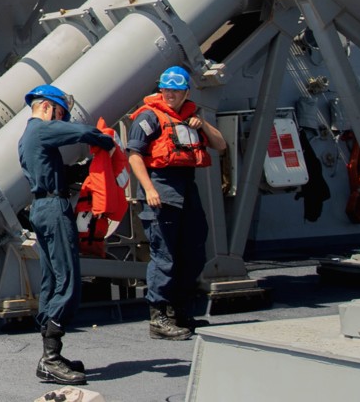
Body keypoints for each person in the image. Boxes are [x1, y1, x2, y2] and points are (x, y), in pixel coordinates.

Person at [18, 84, 117, 386]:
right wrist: (106, 141)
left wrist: (84, 170)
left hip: (42, 207)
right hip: (53, 209)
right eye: (59, 113)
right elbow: (81, 133)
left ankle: (51, 356)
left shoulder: (29, 137)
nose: (59, 119)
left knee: (51, 279)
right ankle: (50, 358)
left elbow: (55, 170)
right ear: (47, 107)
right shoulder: (41, 129)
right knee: (69, 280)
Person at [126, 65, 228, 340]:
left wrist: (202, 123)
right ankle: (158, 317)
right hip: (160, 189)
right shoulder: (149, 117)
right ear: (161, 89)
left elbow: (220, 145)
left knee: (193, 253)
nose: (170, 94)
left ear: (185, 92)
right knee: (164, 257)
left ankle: (177, 311)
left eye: (175, 90)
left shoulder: (191, 116)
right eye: (166, 89)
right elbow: (134, 155)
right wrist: (148, 189)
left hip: (187, 189)